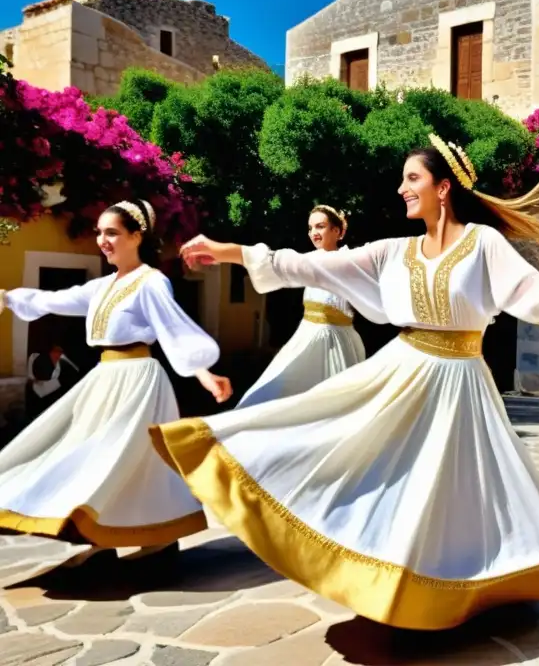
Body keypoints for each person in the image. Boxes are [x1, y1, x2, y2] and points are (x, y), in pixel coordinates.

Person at [151, 135, 539, 630]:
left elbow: (529, 289)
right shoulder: (392, 253)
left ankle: (471, 580)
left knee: (460, 486)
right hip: (403, 370)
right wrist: (231, 251)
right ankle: (396, 582)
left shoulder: (482, 243)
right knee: (369, 461)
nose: (402, 188)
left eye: (413, 178)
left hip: (462, 383)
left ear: (443, 188)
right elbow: (309, 264)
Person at [0, 199, 232, 571]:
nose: (102, 240)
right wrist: (8, 298)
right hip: (105, 379)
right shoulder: (103, 287)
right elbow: (56, 300)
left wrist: (204, 373)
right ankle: (103, 534)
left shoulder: (152, 282)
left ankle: (149, 537)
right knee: (92, 455)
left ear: (137, 236)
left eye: (112, 233)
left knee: (125, 459)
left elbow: (173, 330)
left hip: (138, 382)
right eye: (99, 233)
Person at [234, 205, 366, 409]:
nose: (314, 233)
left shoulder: (351, 261)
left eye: (320, 226)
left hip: (337, 341)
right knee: (276, 390)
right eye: (310, 228)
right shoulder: (306, 261)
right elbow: (275, 265)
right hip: (307, 334)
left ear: (337, 231)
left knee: (334, 402)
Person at [26, 343, 80, 419]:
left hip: (51, 392)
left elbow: (74, 371)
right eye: (56, 352)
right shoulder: (36, 357)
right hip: (38, 392)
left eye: (59, 353)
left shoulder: (62, 366)